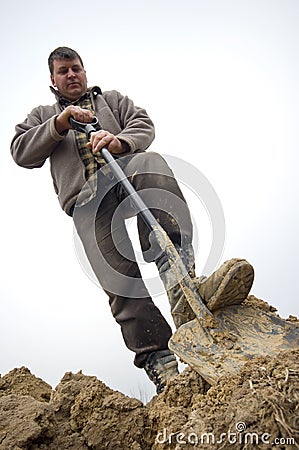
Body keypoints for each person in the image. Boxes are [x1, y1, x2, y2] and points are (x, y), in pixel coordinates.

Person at [10, 47, 254, 394]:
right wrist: (59, 124)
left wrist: (120, 141)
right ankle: (160, 362)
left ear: (85, 71)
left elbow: (143, 124)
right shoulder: (43, 114)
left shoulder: (111, 100)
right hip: (86, 201)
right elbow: (21, 151)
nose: (71, 75)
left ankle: (178, 272)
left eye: (76, 68)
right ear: (53, 79)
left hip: (124, 169)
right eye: (63, 71)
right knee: (119, 280)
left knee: (150, 162)